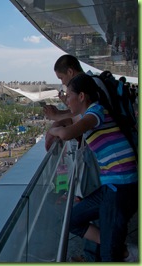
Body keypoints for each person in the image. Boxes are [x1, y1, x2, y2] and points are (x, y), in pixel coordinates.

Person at [48, 74, 138, 262]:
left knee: (108, 256)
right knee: (71, 220)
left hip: (121, 186)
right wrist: (58, 121)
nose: (67, 100)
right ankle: (121, 250)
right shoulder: (90, 113)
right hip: (111, 185)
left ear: (81, 96)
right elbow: (69, 120)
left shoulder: (96, 112)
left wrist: (52, 130)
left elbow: (66, 133)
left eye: (68, 95)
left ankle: (116, 250)